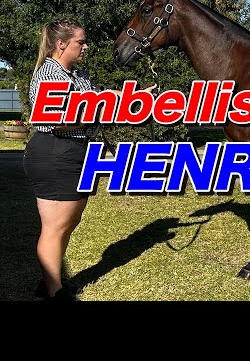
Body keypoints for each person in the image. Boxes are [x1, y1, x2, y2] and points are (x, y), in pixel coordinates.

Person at [23, 18, 156, 301]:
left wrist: (134, 97)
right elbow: (58, 119)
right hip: (54, 151)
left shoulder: (76, 74)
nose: (86, 47)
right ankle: (54, 292)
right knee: (55, 227)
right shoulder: (50, 76)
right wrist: (102, 113)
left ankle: (49, 282)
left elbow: (100, 96)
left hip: (75, 150)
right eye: (80, 42)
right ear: (61, 44)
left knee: (69, 222)